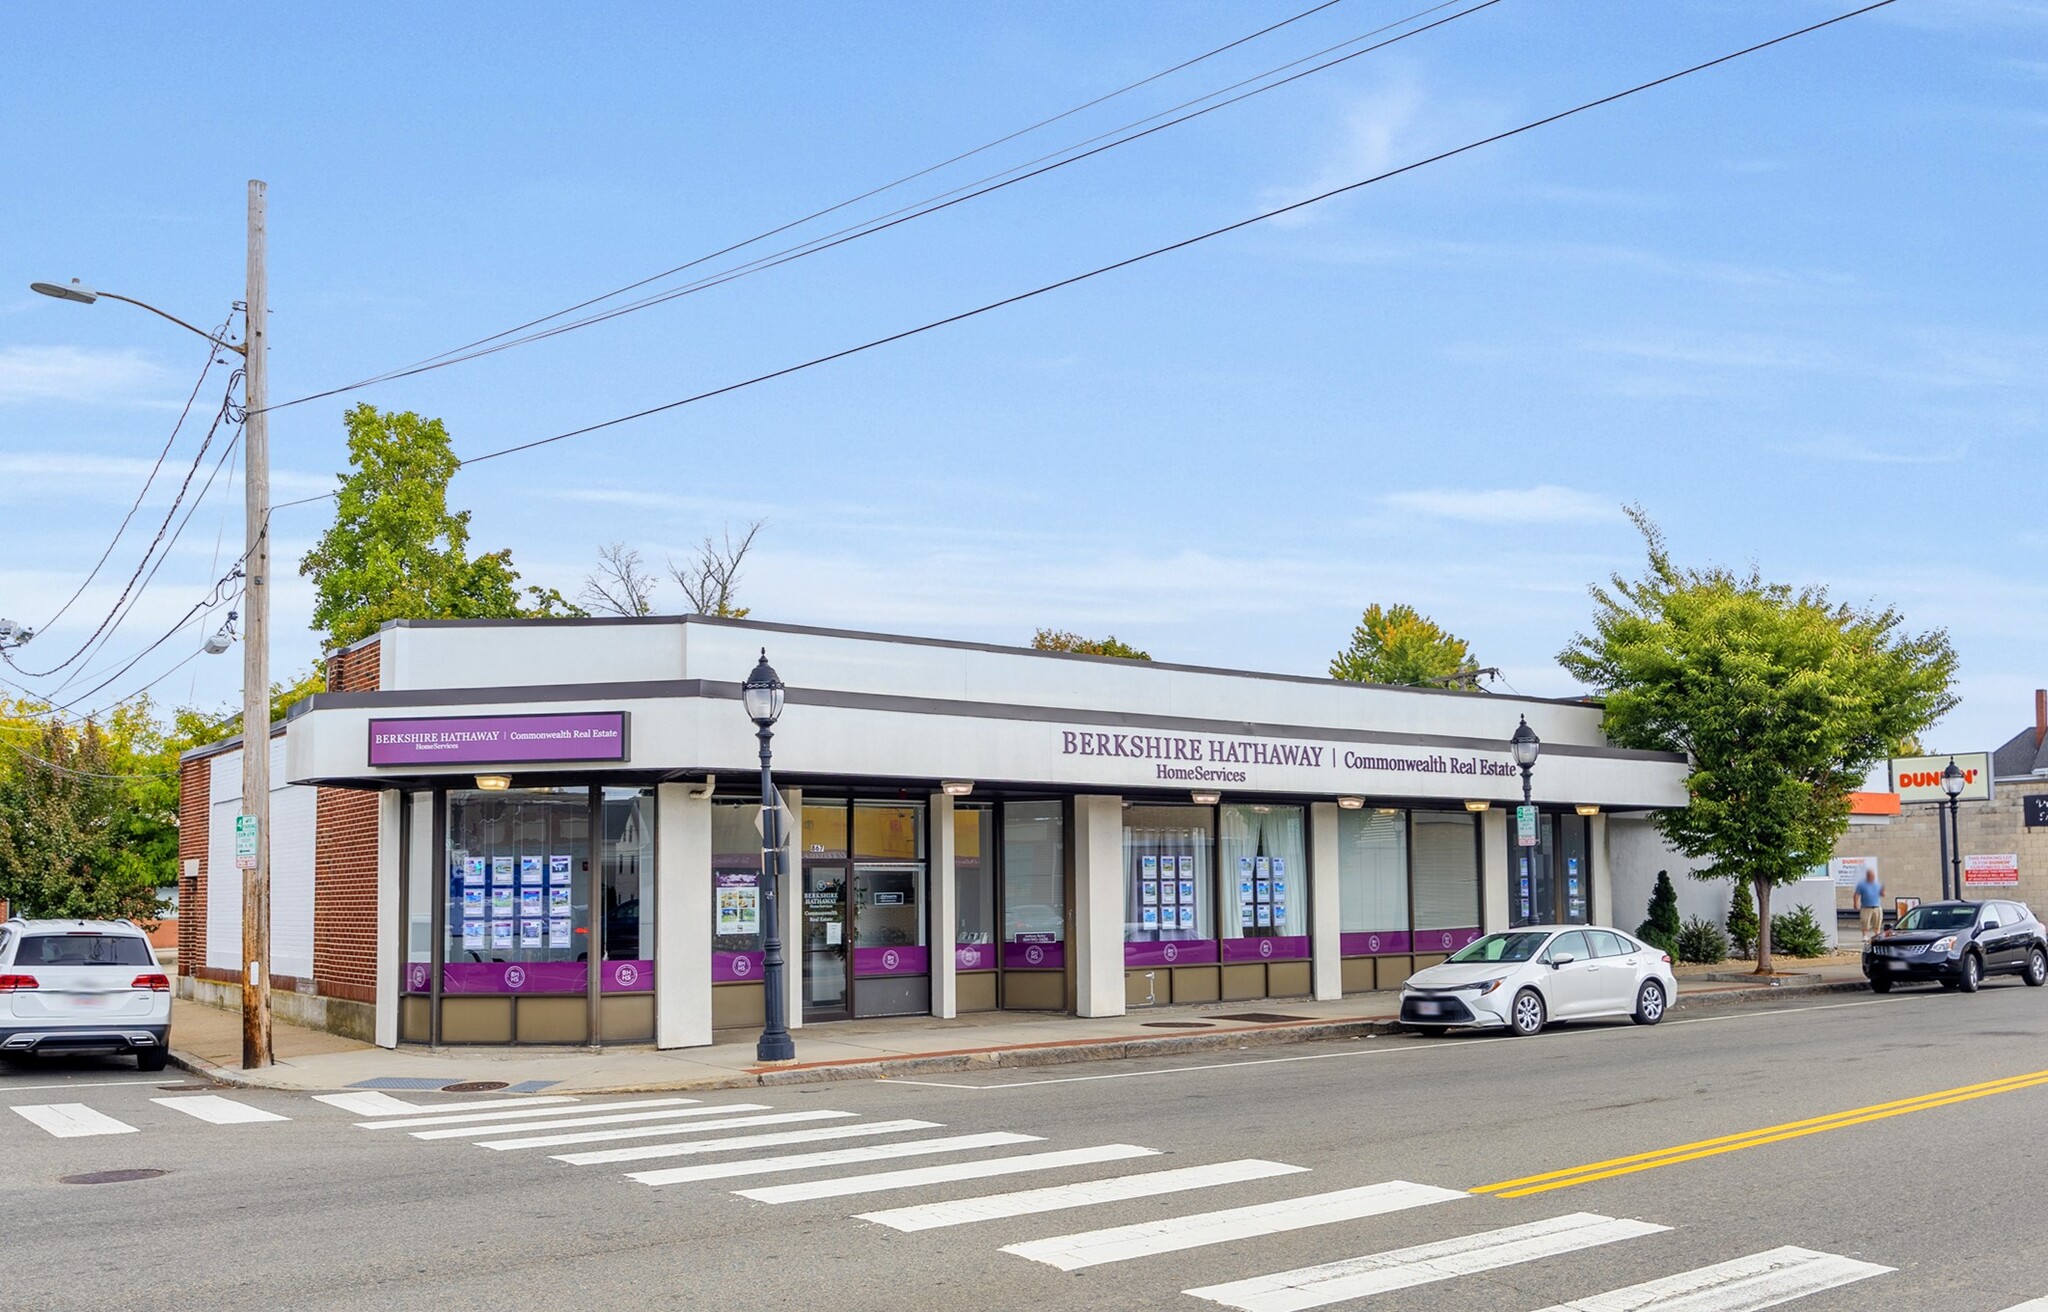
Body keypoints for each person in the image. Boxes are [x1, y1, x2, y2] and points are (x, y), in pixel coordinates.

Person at [1854, 866, 1885, 939]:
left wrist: (1883, 892)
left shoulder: (1878, 884)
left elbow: (1882, 894)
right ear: (1867, 876)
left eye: (1873, 876)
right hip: (1866, 907)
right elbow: (1856, 894)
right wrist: (1855, 903)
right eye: (1871, 876)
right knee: (1865, 921)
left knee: (1877, 921)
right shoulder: (1861, 884)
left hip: (1877, 906)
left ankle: (1877, 934)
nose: (1872, 877)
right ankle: (1865, 935)